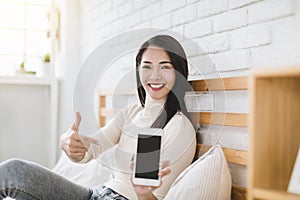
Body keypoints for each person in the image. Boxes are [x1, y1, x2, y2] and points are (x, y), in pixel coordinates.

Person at [0, 35, 196, 200]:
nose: (155, 75)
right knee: (13, 171)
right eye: (147, 67)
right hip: (97, 193)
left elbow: (152, 198)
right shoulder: (131, 113)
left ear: (179, 73)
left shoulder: (178, 127)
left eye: (164, 67)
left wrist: (142, 192)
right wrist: (72, 145)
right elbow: (92, 149)